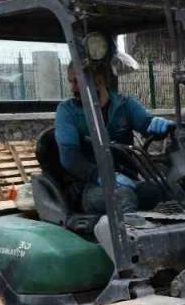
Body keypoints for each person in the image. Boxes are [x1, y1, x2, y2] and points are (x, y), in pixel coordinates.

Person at [54, 65, 174, 214]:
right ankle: (132, 236)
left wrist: (159, 125)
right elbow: (69, 157)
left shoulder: (125, 105)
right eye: (70, 82)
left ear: (98, 81)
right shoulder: (67, 110)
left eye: (76, 82)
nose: (72, 89)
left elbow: (146, 123)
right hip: (89, 186)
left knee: (166, 190)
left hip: (128, 180)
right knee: (123, 196)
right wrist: (103, 176)